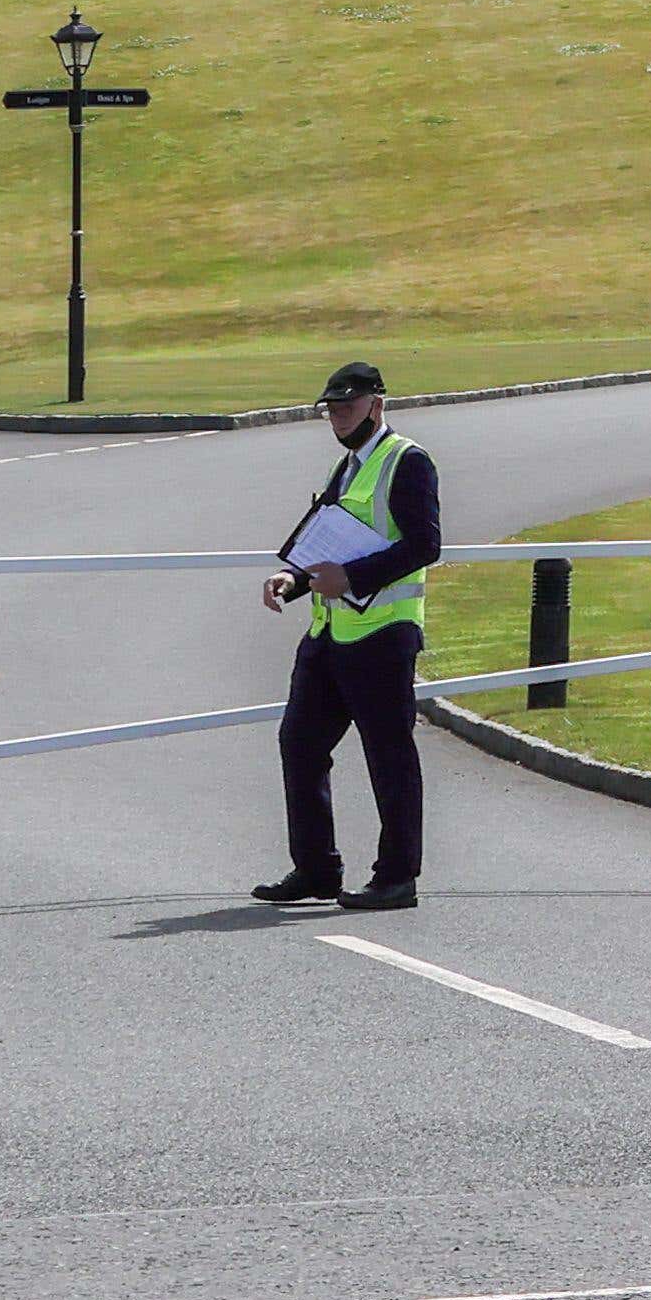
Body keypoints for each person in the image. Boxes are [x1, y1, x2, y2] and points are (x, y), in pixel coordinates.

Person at [250, 358, 442, 911]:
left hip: (383, 634)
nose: (338, 418)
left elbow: (424, 545)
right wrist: (293, 580)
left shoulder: (406, 461)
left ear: (377, 405)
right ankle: (315, 869)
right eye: (331, 409)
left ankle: (397, 877)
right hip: (331, 633)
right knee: (300, 743)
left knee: (389, 756)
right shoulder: (349, 466)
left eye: (348, 407)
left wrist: (350, 578)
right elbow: (329, 540)